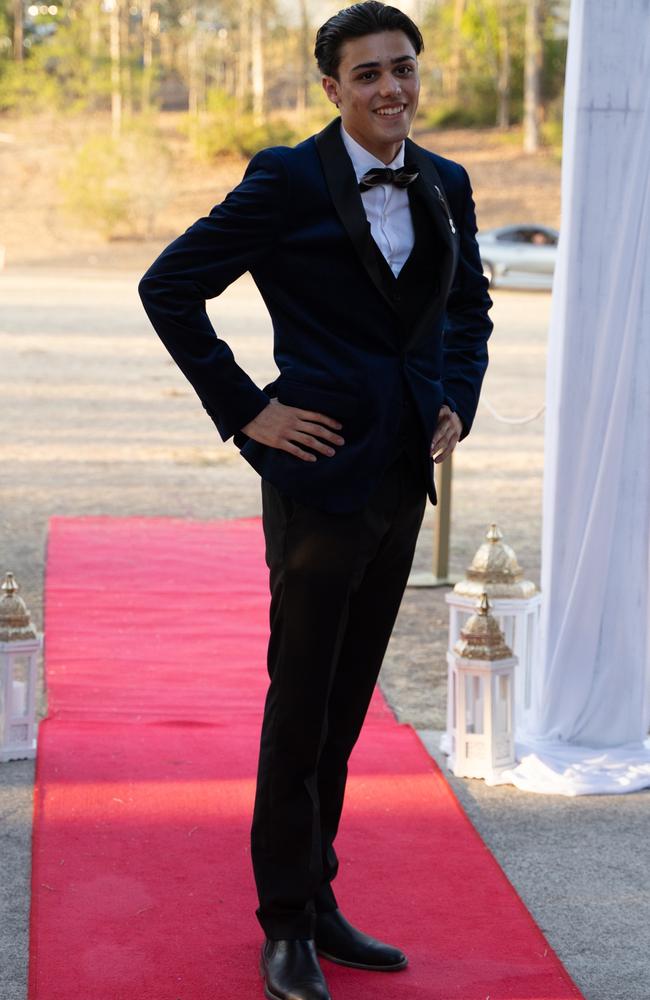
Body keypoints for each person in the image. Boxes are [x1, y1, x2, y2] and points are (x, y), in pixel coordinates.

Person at [139, 3, 492, 997]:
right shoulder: (285, 179)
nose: (391, 88)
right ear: (331, 89)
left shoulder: (446, 181)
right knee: (299, 705)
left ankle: (319, 891)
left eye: (403, 69)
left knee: (343, 708)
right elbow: (168, 287)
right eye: (368, 74)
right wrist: (248, 410)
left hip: (398, 481)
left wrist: (453, 401)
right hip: (316, 480)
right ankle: (283, 920)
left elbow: (465, 309)